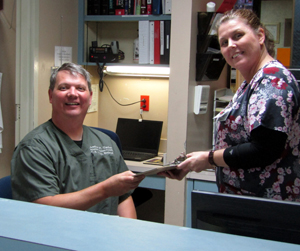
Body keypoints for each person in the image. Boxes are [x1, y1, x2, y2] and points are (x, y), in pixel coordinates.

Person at [161, 9, 300, 201]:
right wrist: (195, 162)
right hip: (247, 202)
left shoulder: (272, 80)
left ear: (260, 36)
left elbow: (264, 149)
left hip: (269, 205)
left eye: (238, 36)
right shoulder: (249, 83)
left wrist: (209, 158)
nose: (231, 46)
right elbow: (240, 147)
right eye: (224, 43)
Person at [11, 62, 145, 218]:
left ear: (90, 97)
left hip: (107, 237)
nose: (73, 93)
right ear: (50, 96)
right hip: (58, 239)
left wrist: (127, 236)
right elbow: (43, 207)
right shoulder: (34, 147)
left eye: (80, 88)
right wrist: (105, 190)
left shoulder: (106, 142)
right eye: (63, 87)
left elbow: (123, 197)